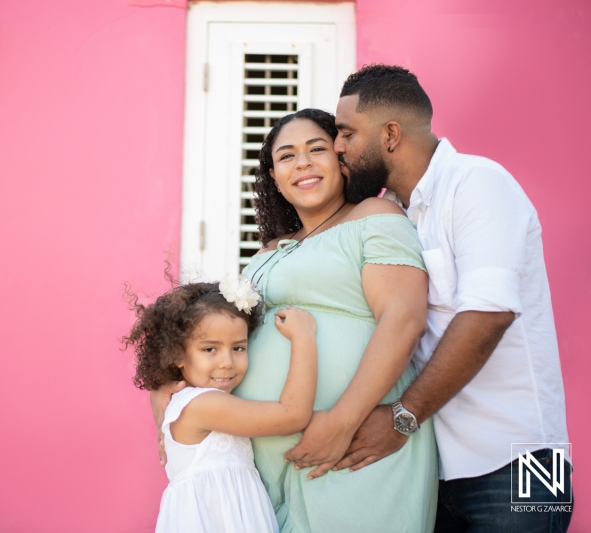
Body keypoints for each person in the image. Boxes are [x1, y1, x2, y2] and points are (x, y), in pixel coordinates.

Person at [152, 109, 439, 532]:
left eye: (316, 149)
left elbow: (403, 319)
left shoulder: (373, 216)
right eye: (287, 156)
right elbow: (190, 329)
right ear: (274, 175)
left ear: (342, 160)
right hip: (263, 476)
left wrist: (342, 422)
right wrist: (165, 412)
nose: (302, 162)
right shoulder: (267, 253)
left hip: (354, 445)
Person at [322, 64, 572, 532]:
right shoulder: (391, 214)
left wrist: (401, 418)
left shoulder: (478, 182)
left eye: (346, 133)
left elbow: (488, 315)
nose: (337, 148)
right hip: (434, 469)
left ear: (391, 134)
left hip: (527, 460)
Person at [124, 279, 319, 533]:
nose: (227, 362)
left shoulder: (196, 399)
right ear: (177, 355)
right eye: (210, 349)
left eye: (238, 347)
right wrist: (304, 338)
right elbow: (292, 416)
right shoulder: (203, 404)